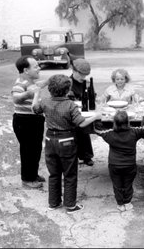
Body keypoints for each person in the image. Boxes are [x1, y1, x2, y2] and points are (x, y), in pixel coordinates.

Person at [32, 74, 102, 214]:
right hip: (66, 140)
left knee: (54, 173)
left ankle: (53, 202)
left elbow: (34, 108)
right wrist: (96, 116)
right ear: (68, 89)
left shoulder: (45, 101)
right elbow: (81, 123)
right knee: (69, 174)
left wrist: (37, 92)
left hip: (50, 140)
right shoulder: (70, 105)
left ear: (50, 89)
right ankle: (70, 205)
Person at [94, 111, 144, 212]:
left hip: (114, 165)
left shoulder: (109, 134)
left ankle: (120, 203)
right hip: (130, 165)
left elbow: (97, 130)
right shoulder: (134, 132)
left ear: (114, 123)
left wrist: (98, 119)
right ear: (128, 122)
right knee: (128, 184)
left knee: (117, 185)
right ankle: (127, 202)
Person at [11, 56, 47, 189]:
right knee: (28, 150)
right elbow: (16, 98)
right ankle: (27, 178)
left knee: (36, 148)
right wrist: (28, 94)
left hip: (35, 120)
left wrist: (50, 80)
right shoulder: (20, 83)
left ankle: (33, 174)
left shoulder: (31, 82)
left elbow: (39, 85)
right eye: (36, 66)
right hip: (24, 121)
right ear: (26, 70)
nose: (39, 68)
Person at [68, 58, 95, 166]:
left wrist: (89, 89)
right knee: (78, 128)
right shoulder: (67, 82)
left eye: (85, 75)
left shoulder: (86, 83)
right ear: (74, 71)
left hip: (83, 112)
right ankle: (75, 157)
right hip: (71, 112)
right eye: (81, 74)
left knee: (85, 128)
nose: (83, 77)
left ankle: (86, 156)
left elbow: (93, 98)